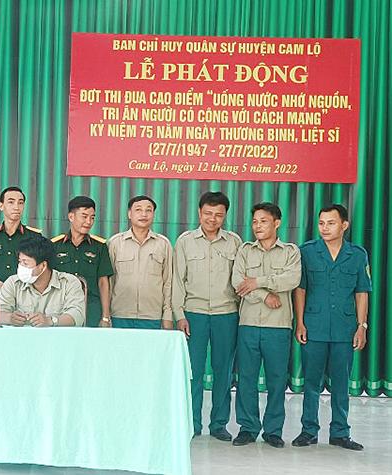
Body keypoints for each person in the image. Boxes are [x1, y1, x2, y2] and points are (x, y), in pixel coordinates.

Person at [291, 204, 371, 451]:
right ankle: (308, 431)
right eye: (321, 223)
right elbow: (300, 289)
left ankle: (340, 432)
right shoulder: (307, 251)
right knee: (311, 382)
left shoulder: (357, 254)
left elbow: (362, 292)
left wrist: (362, 326)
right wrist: (300, 322)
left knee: (341, 383)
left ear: (344, 225)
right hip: (314, 326)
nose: (325, 228)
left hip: (344, 329)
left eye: (331, 223)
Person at [172, 191, 242, 441]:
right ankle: (192, 423)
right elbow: (177, 280)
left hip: (226, 314)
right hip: (194, 314)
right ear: (199, 213)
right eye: (208, 213)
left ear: (225, 216)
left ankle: (219, 424)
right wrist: (179, 314)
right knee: (193, 372)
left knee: (224, 372)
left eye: (218, 215)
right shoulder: (185, 241)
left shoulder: (234, 242)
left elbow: (239, 279)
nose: (213, 219)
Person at [231, 202, 301, 448]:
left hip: (278, 326)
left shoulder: (290, 251)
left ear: (277, 223)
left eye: (263, 221)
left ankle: (273, 430)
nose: (257, 226)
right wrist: (264, 295)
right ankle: (248, 428)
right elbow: (238, 282)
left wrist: (258, 281)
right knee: (246, 379)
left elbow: (292, 279)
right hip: (248, 323)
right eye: (254, 222)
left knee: (277, 380)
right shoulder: (245, 250)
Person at [107, 195, 172, 329]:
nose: (144, 214)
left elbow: (168, 282)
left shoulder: (163, 244)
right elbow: (108, 282)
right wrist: (106, 315)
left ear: (153, 215)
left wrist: (167, 315)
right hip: (120, 315)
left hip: (152, 316)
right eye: (138, 210)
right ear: (129, 214)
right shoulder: (115, 243)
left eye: (148, 210)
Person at [51, 196, 114, 327]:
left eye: (92, 217)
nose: (88, 222)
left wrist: (105, 317)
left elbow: (103, 282)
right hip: (61, 308)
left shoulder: (100, 247)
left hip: (91, 309)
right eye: (84, 216)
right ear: (71, 217)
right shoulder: (54, 245)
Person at [0, 235, 85, 327]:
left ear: (43, 266)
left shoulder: (69, 282)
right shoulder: (13, 283)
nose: (21, 267)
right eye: (20, 262)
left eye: (25, 263)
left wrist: (50, 321)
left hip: (57, 335)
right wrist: (9, 318)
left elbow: (77, 315)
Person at [0, 186, 42, 303]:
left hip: (25, 297)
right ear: (1, 206)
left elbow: (40, 268)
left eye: (20, 203)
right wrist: (0, 285)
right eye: (11, 202)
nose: (16, 207)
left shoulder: (34, 236)